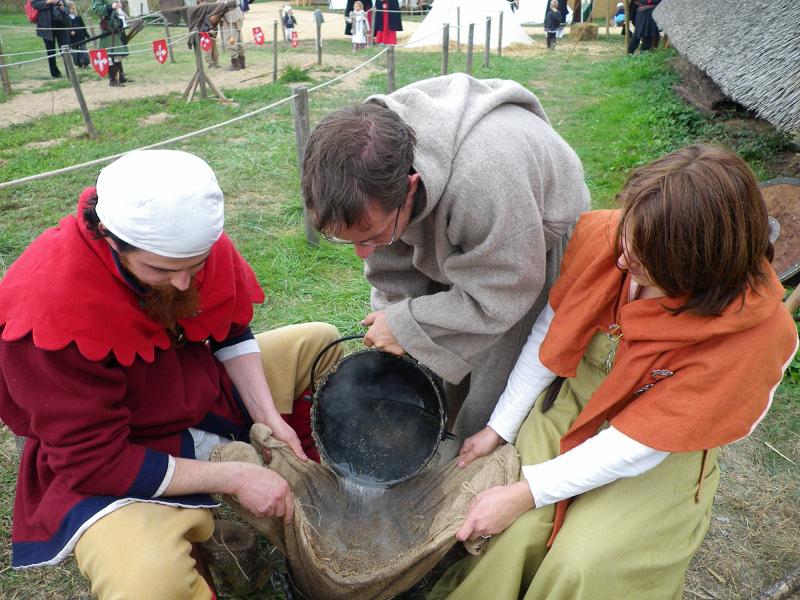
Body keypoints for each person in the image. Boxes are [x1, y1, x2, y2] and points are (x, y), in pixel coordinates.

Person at [427, 145, 799, 599]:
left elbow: (637, 445)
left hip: (659, 448)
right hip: (575, 409)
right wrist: (500, 428)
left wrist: (527, 492)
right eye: (628, 242)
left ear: (698, 269)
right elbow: (553, 334)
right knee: (515, 536)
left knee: (582, 563)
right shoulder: (621, 237)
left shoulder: (751, 337)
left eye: (645, 263)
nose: (623, 262)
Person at [0, 150, 343, 599]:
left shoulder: (189, 246)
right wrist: (234, 478)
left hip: (197, 394)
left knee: (317, 343)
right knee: (149, 583)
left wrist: (269, 419)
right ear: (111, 239)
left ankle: (322, 495)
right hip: (118, 455)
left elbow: (229, 327)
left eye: (195, 267)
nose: (184, 285)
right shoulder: (49, 312)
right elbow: (93, 461)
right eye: (161, 270)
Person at [301, 74, 590, 444]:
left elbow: (502, 293)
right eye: (349, 241)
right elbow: (392, 269)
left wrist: (408, 326)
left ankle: (471, 464)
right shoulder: (368, 163)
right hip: (465, 223)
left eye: (372, 238)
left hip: (527, 245)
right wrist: (396, 330)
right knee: (423, 346)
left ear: (410, 188)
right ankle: (437, 430)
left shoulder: (484, 182)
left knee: (492, 393)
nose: (363, 254)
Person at [91, 0, 131, 86]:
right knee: (112, 54)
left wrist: (121, 4)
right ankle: (113, 80)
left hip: (116, 26)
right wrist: (111, 6)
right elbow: (96, 9)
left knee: (118, 52)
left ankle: (121, 77)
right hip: (108, 26)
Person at [32, 0, 70, 78]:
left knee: (65, 49)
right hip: (46, 27)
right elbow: (34, 4)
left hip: (61, 26)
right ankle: (55, 74)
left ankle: (70, 72)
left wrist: (62, 7)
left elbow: (67, 10)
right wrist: (48, 2)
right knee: (50, 51)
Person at [221, 0, 245, 70]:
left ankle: (235, 65)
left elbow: (221, 4)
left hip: (230, 17)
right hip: (236, 15)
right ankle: (241, 63)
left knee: (231, 41)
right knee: (239, 40)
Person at [65, 0, 90, 68]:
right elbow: (66, 28)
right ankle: (78, 63)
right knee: (75, 51)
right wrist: (70, 32)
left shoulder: (78, 18)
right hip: (73, 39)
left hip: (81, 37)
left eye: (74, 9)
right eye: (72, 9)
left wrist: (87, 36)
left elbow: (83, 27)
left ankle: (86, 63)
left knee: (83, 49)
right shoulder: (66, 19)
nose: (74, 10)